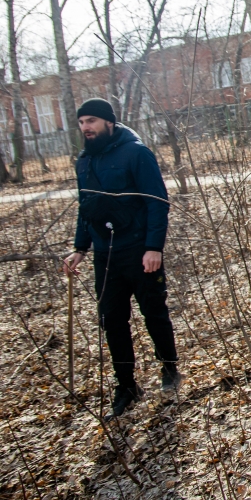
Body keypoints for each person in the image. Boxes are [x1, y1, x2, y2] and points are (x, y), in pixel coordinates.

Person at [62, 98, 181, 420]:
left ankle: (170, 368)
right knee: (112, 321)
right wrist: (79, 248)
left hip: (140, 250)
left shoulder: (136, 153)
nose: (86, 127)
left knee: (154, 312)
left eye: (91, 121)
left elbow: (157, 202)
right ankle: (125, 385)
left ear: (108, 122)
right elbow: (85, 208)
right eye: (82, 122)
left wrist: (154, 247)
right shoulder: (83, 161)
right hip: (105, 255)